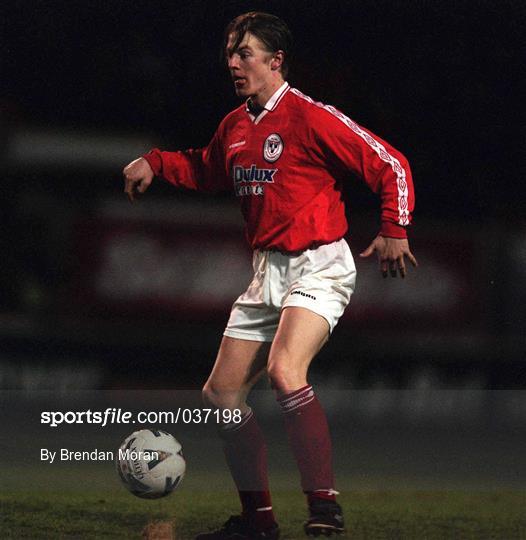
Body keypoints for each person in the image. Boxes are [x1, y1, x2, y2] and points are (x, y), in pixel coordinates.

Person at [123, 11, 417, 539]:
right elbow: (209, 169)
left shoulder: (310, 116)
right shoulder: (236, 126)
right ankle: (258, 522)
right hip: (267, 273)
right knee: (220, 395)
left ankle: (324, 507)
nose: (234, 64)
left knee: (285, 371)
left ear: (276, 61)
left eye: (246, 54)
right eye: (231, 55)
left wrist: (395, 227)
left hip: (320, 264)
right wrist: (157, 162)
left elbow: (389, 163)